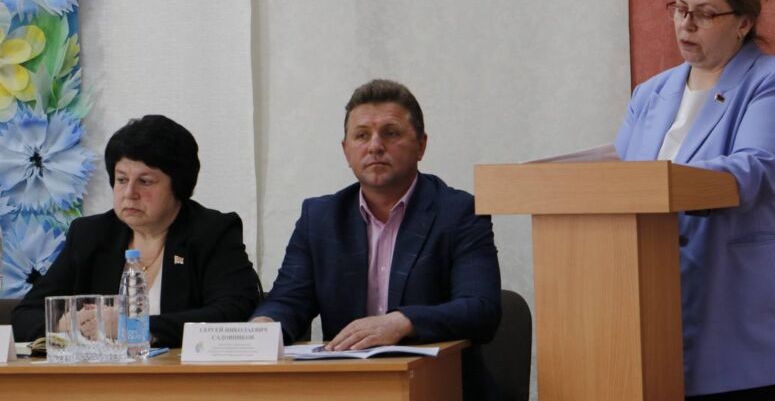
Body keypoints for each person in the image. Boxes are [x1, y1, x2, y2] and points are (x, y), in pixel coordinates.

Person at [615, 0, 775, 400]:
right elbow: (623, 177)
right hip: (658, 319)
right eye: (679, 9)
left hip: (748, 320)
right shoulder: (650, 93)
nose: (686, 24)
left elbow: (759, 167)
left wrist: (664, 184)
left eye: (705, 14)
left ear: (743, 23)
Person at [252, 79, 501, 399]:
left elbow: (481, 309)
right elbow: (289, 300)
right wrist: (264, 325)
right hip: (349, 390)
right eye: (361, 135)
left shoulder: (458, 212)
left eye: (391, 133)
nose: (375, 146)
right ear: (346, 150)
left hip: (438, 388)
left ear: (421, 145)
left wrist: (402, 322)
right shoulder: (320, 217)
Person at [12, 115, 262, 347]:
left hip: (181, 374)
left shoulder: (211, 232)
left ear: (179, 187)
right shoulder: (90, 234)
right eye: (122, 180)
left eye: (145, 181)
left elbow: (234, 311)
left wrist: (133, 328)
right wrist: (66, 324)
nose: (129, 193)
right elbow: (26, 315)